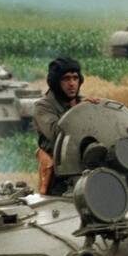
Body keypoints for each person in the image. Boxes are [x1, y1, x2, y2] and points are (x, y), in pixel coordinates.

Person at [33, 57, 87, 196]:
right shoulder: (43, 107)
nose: (72, 84)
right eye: (66, 79)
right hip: (59, 178)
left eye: (75, 78)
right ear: (56, 83)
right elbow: (57, 133)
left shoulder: (84, 104)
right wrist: (79, 110)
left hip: (86, 169)